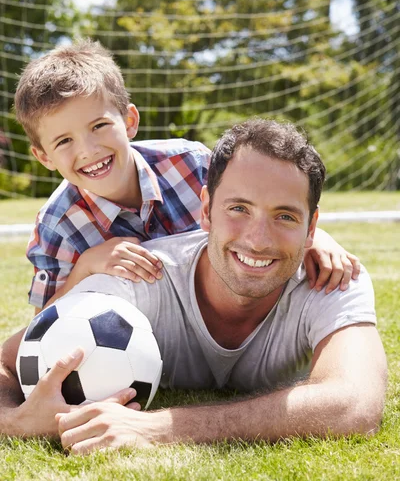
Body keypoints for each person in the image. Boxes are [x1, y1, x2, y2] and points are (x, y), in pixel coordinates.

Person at [0, 118, 387, 452]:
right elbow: (6, 360)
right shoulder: (139, 280)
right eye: (238, 208)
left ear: (312, 228)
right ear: (205, 210)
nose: (258, 239)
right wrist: (14, 421)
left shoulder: (333, 277)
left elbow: (355, 403)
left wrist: (159, 428)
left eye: (285, 216)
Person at [14, 40, 359, 314]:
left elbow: (263, 202)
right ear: (43, 156)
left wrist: (317, 239)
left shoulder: (192, 164)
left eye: (99, 126)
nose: (88, 149)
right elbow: (43, 325)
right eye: (64, 141)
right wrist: (86, 267)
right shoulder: (56, 225)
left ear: (130, 121)